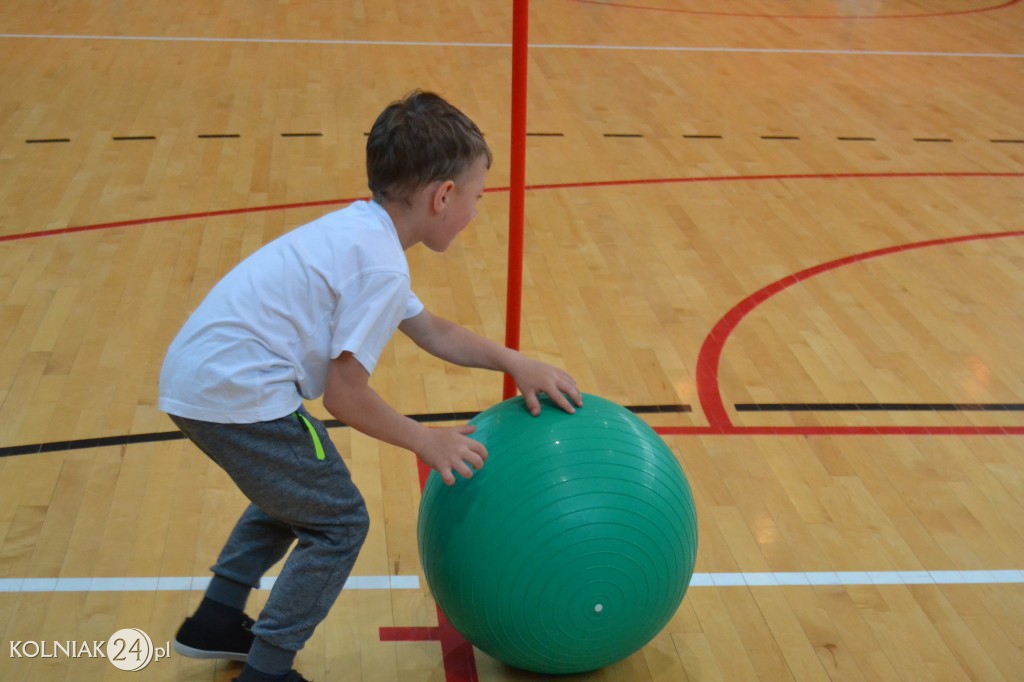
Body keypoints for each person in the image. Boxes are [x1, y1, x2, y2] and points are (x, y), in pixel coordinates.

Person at [159, 90, 583, 682]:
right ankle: (267, 670)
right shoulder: (380, 264)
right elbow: (345, 396)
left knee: (298, 490)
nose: (476, 212)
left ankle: (216, 618)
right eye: (478, 197)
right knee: (339, 522)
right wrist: (425, 441)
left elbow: (433, 330)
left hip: (205, 378)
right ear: (443, 197)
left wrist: (516, 363)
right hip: (237, 392)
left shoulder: (362, 232)